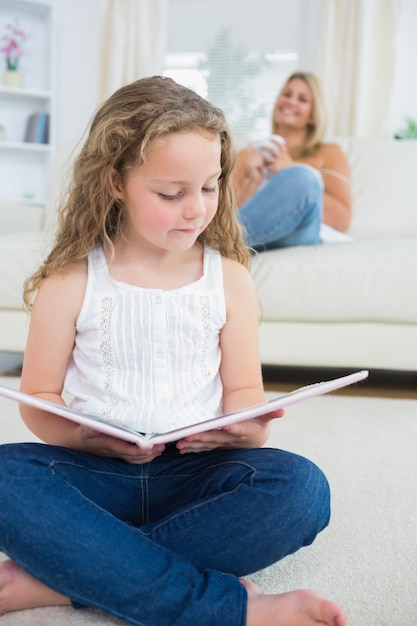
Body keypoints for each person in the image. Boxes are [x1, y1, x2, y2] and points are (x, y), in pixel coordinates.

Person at [0, 76, 347, 626]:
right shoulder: (70, 281)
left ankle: (61, 578)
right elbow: (38, 398)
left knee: (302, 490)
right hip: (95, 474)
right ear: (115, 181)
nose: (197, 209)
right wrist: (83, 436)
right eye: (171, 193)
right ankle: (228, 607)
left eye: (210, 187)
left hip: (195, 477)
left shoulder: (229, 279)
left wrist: (244, 430)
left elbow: (245, 399)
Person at [233, 71, 352, 250]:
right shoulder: (247, 155)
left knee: (302, 177)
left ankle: (219, 245)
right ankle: (226, 244)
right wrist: (252, 180)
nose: (290, 101)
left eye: (302, 99)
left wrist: (289, 169)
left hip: (301, 232)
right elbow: (229, 213)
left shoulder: (329, 153)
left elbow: (341, 220)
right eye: (287, 94)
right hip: (258, 235)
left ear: (313, 115)